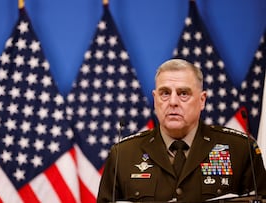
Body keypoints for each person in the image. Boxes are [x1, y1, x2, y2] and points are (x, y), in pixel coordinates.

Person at [97, 58, 266, 202]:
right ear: (155, 100)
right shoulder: (123, 154)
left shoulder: (241, 150)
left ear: (202, 100)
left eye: (183, 93)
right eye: (165, 93)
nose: (173, 102)